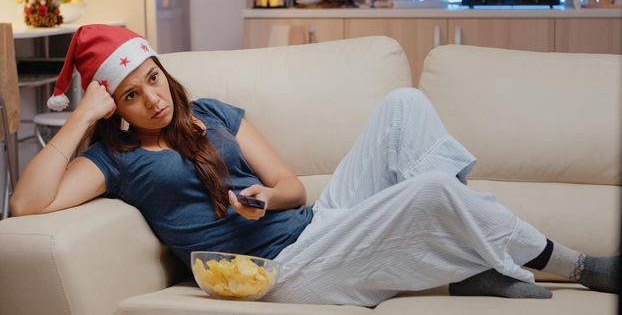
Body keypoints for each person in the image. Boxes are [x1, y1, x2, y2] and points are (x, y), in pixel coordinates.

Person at [9, 25, 618, 306]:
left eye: (152, 78)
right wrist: (82, 116)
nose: (153, 98)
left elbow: (293, 188)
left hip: (316, 224)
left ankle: (464, 253)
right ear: (112, 107)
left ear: (162, 68)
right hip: (284, 272)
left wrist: (264, 200)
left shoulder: (215, 113)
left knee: (403, 106)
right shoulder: (114, 159)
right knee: (430, 190)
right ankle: (580, 266)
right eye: (131, 95)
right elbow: (25, 204)